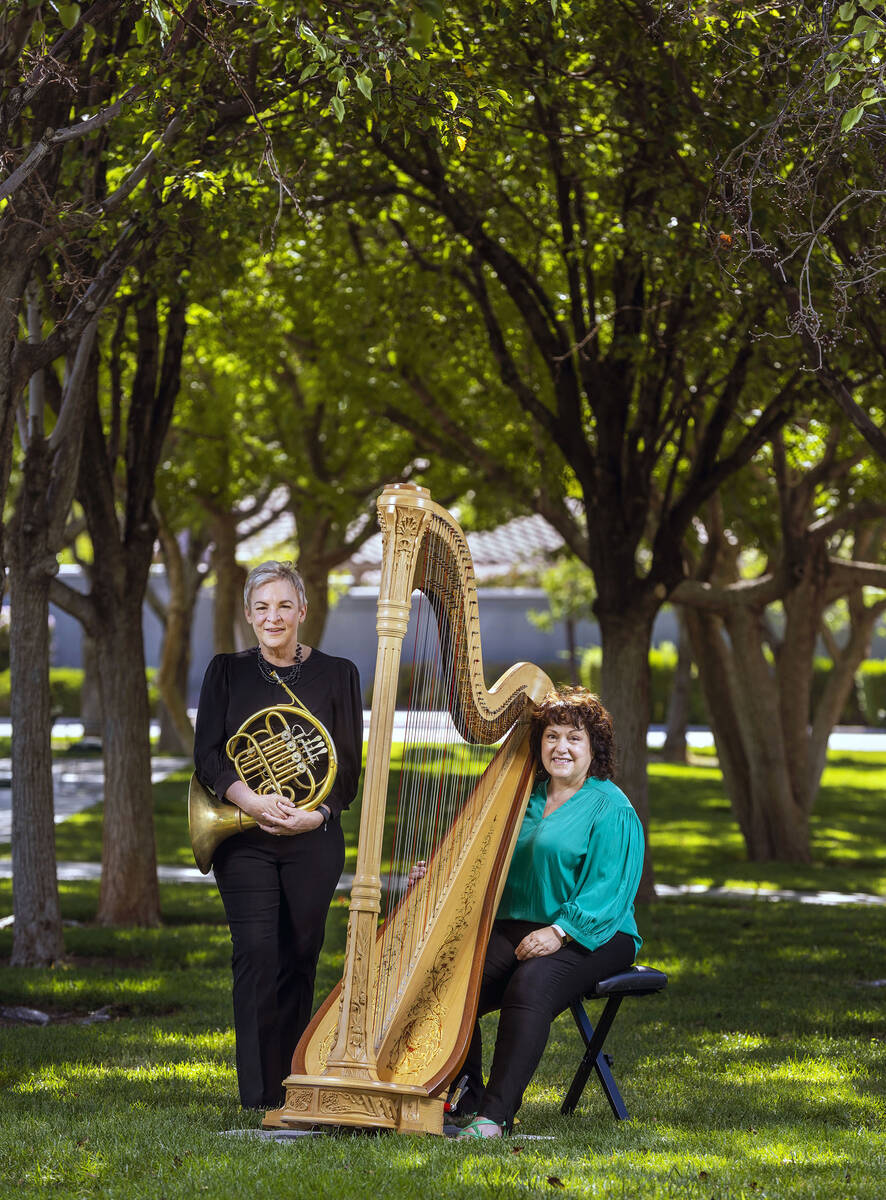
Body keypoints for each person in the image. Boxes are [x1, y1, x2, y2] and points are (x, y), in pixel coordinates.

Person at [193, 560, 362, 1110]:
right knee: (257, 951)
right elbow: (209, 758)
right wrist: (251, 800)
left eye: (284, 605)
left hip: (312, 836)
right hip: (245, 835)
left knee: (300, 952)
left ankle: (293, 1083)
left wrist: (317, 815)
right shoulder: (226, 671)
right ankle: (257, 1096)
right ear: (248, 614)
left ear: (303, 612)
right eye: (262, 607)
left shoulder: (340, 674)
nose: (273, 617)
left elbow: (349, 773)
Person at [453, 686, 644, 1138]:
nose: (561, 747)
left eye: (573, 738)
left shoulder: (610, 806)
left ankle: (493, 1117)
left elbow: (608, 890)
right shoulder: (521, 798)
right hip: (520, 922)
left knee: (532, 981)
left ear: (593, 747)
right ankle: (464, 1095)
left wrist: (560, 932)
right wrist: (439, 871)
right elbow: (485, 864)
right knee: (452, 979)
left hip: (596, 931)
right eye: (552, 736)